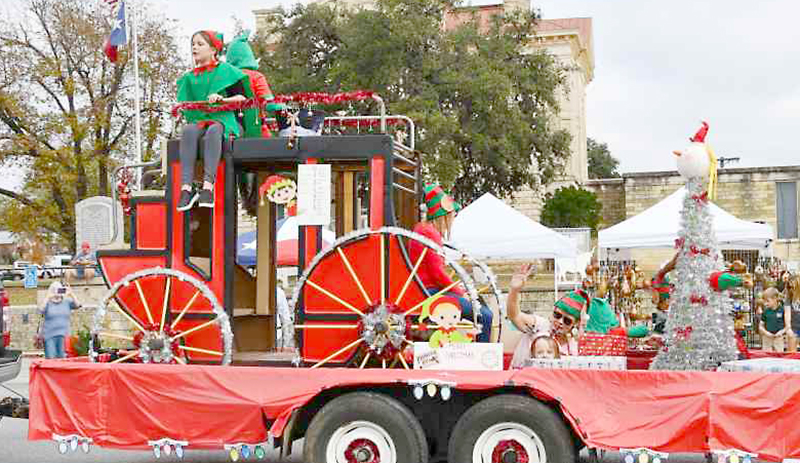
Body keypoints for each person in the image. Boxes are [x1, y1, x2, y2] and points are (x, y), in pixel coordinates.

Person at [176, 30, 259, 212]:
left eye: (200, 44)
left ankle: (208, 187)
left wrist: (222, 100)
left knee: (214, 130)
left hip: (226, 121)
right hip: (200, 119)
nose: (194, 48)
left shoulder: (228, 71)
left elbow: (243, 99)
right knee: (188, 130)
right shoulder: (190, 77)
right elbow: (187, 104)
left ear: (213, 49)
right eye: (193, 44)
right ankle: (186, 188)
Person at [408, 184, 494, 342]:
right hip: (430, 293)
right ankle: (482, 357)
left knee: (481, 308)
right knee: (486, 316)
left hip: (426, 290)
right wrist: (461, 293)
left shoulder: (422, 229)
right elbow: (437, 274)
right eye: (452, 215)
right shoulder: (429, 232)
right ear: (444, 216)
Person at [508, 264, 583, 366]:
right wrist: (514, 291)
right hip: (522, 378)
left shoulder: (573, 346)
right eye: (557, 315)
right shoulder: (539, 325)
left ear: (575, 324)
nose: (560, 322)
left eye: (567, 321)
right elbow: (515, 316)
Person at [225, 31, 283, 139]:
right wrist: (282, 107)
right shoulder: (256, 76)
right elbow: (268, 103)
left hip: (230, 126)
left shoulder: (225, 77)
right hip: (255, 127)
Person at [39, 281, 81, 359]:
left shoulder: (66, 302)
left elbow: (78, 305)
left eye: (60, 289)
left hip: (64, 335)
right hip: (50, 335)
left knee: (62, 358)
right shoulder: (48, 303)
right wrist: (48, 297)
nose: (58, 292)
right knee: (51, 357)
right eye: (55, 289)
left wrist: (71, 294)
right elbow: (41, 310)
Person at [759, 287, 787, 353]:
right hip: (767, 337)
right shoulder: (766, 311)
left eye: (768, 301)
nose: (766, 304)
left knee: (779, 354)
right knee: (766, 355)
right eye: (764, 301)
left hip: (779, 337)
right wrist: (766, 332)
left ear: (775, 299)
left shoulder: (782, 310)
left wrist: (781, 332)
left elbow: (788, 325)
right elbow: (760, 326)